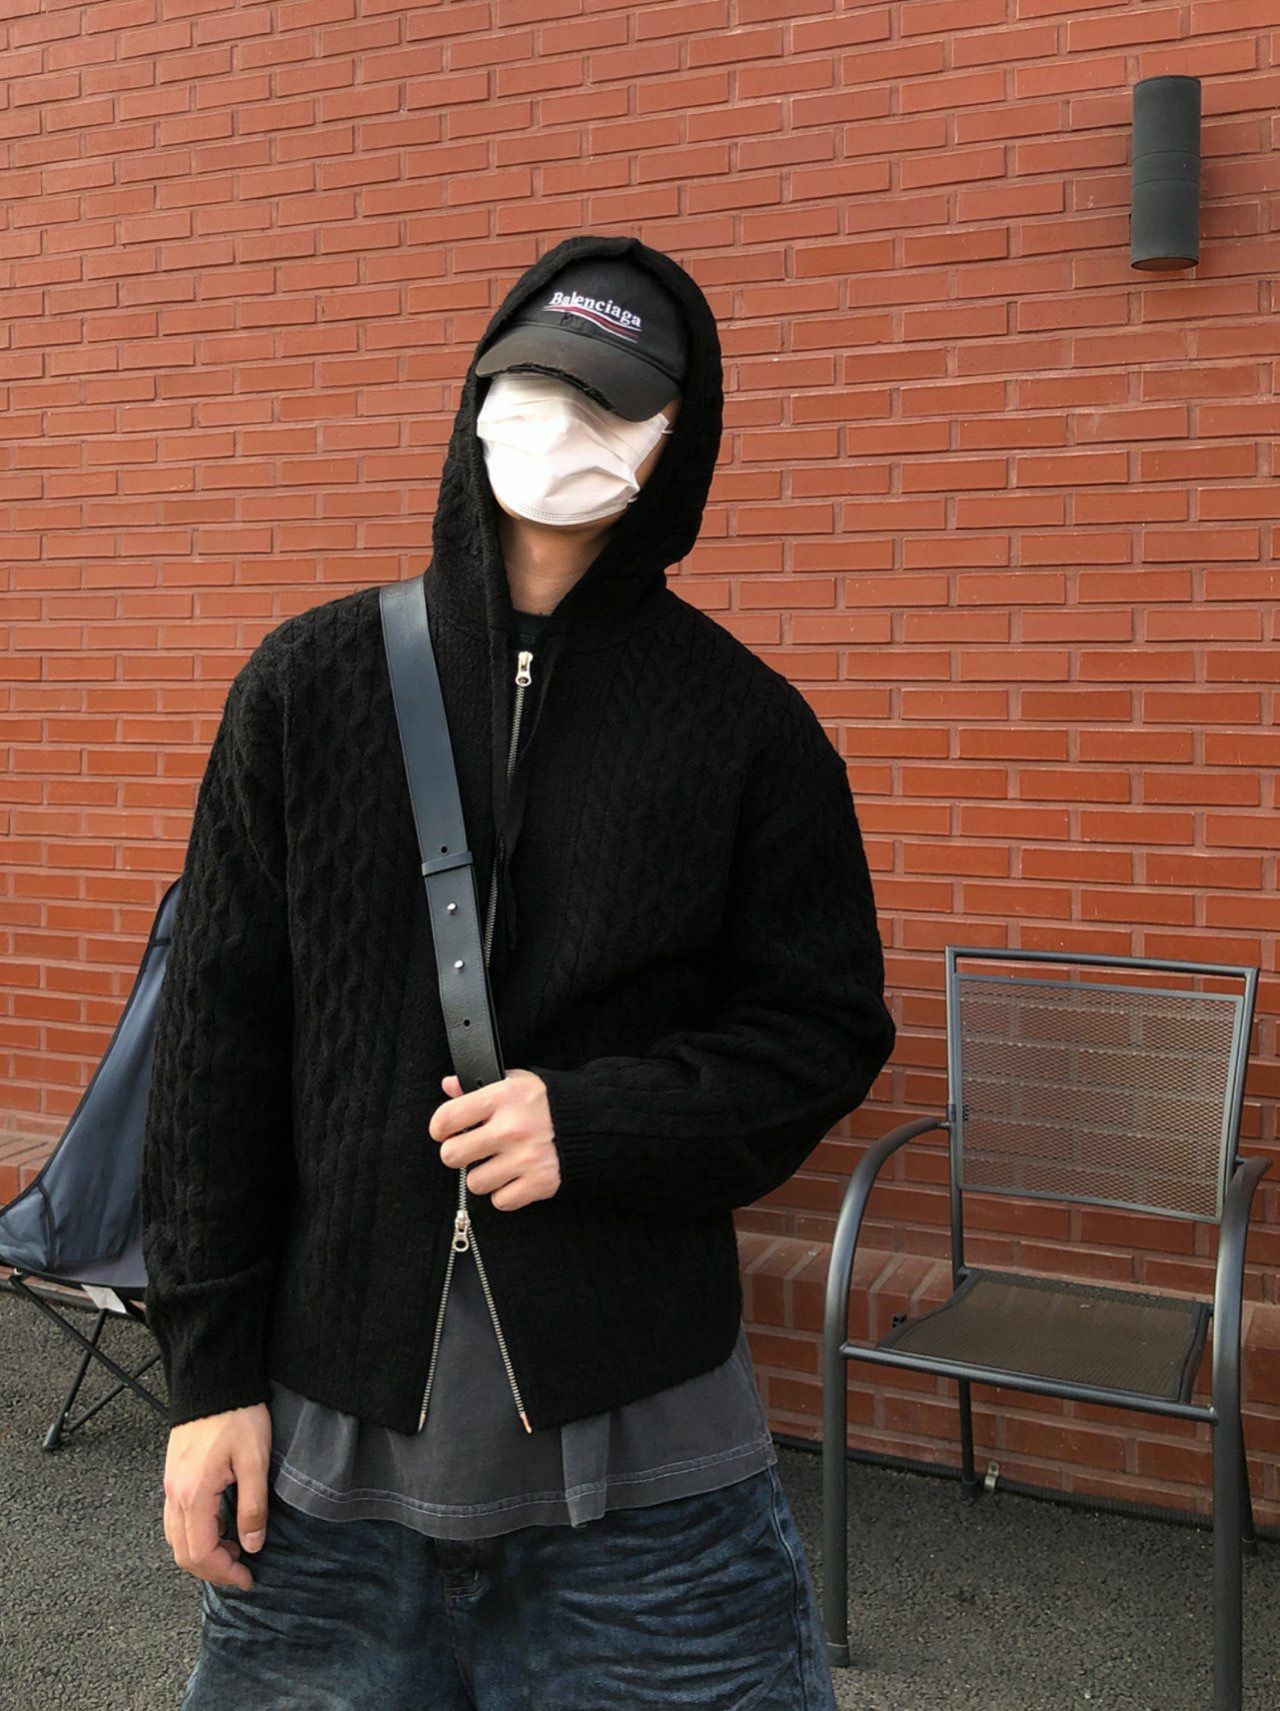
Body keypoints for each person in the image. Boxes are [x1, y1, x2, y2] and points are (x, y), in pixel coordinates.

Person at [141, 232, 896, 1709]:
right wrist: (208, 1376)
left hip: (650, 1479)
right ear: (478, 395)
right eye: (536, 381)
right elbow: (215, 1047)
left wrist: (598, 1120)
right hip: (325, 1466)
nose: (562, 422)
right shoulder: (305, 688)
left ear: (676, 441)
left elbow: (821, 1028)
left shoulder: (748, 727)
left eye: (609, 397)